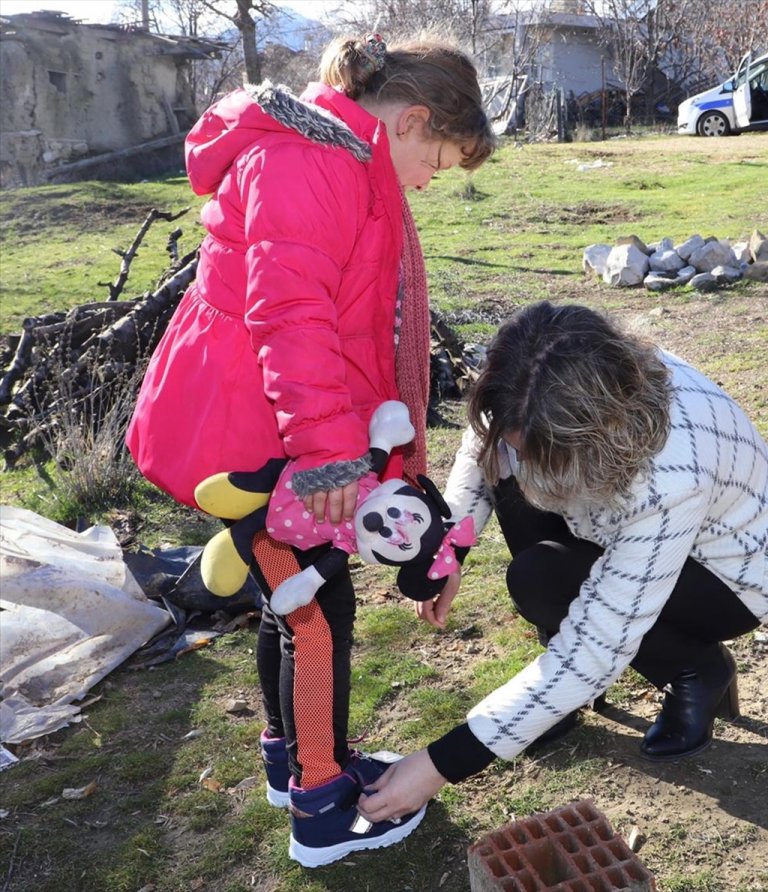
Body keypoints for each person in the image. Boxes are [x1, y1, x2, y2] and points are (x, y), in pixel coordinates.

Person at [126, 33, 495, 867]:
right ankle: (323, 809)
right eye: (442, 157)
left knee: (288, 598)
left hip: (264, 423)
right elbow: (291, 320)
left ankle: (289, 762)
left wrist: (378, 456)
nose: (433, 178)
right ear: (412, 121)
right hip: (249, 431)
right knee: (318, 611)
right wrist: (333, 456)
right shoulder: (310, 164)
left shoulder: (341, 162)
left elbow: (349, 325)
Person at [355, 300, 768, 823]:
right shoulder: (543, 375)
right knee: (524, 513)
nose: (516, 463)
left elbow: (599, 641)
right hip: (609, 515)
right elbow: (483, 441)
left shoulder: (669, 478)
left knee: (541, 579)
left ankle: (696, 669)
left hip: (737, 573)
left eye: (534, 454)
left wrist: (439, 764)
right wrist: (448, 549)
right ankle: (556, 696)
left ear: (597, 435)